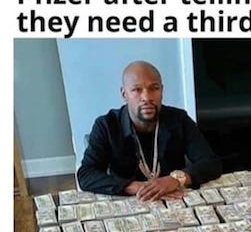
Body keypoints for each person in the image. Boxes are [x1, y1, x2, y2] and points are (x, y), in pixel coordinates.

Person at [77, 60, 222, 200]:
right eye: (137, 90)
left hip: (175, 198)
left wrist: (175, 180)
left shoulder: (179, 119)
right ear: (124, 94)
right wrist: (139, 188)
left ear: (162, 91)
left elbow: (210, 163)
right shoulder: (106, 125)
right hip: (130, 200)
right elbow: (86, 175)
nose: (146, 97)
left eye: (154, 88)